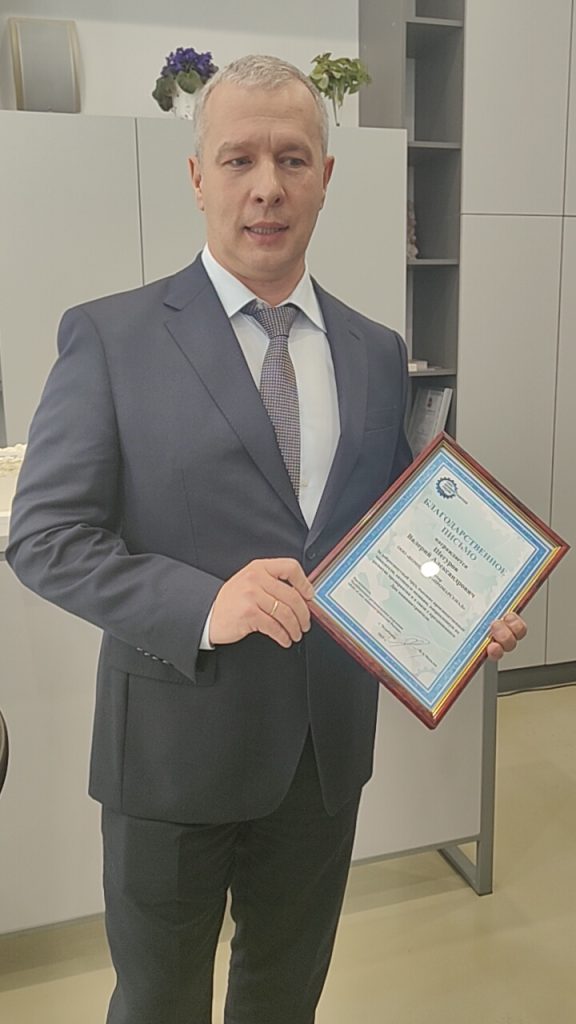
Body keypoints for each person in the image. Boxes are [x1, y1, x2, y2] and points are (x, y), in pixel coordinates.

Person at [6, 55, 526, 1024]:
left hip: (322, 755)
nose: (266, 187)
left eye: (292, 159)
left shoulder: (375, 349)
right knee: (158, 1002)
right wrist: (206, 603)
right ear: (197, 177)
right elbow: (44, 536)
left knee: (285, 995)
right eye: (238, 158)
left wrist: (464, 610)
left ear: (325, 177)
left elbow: (382, 531)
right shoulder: (112, 338)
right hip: (171, 754)